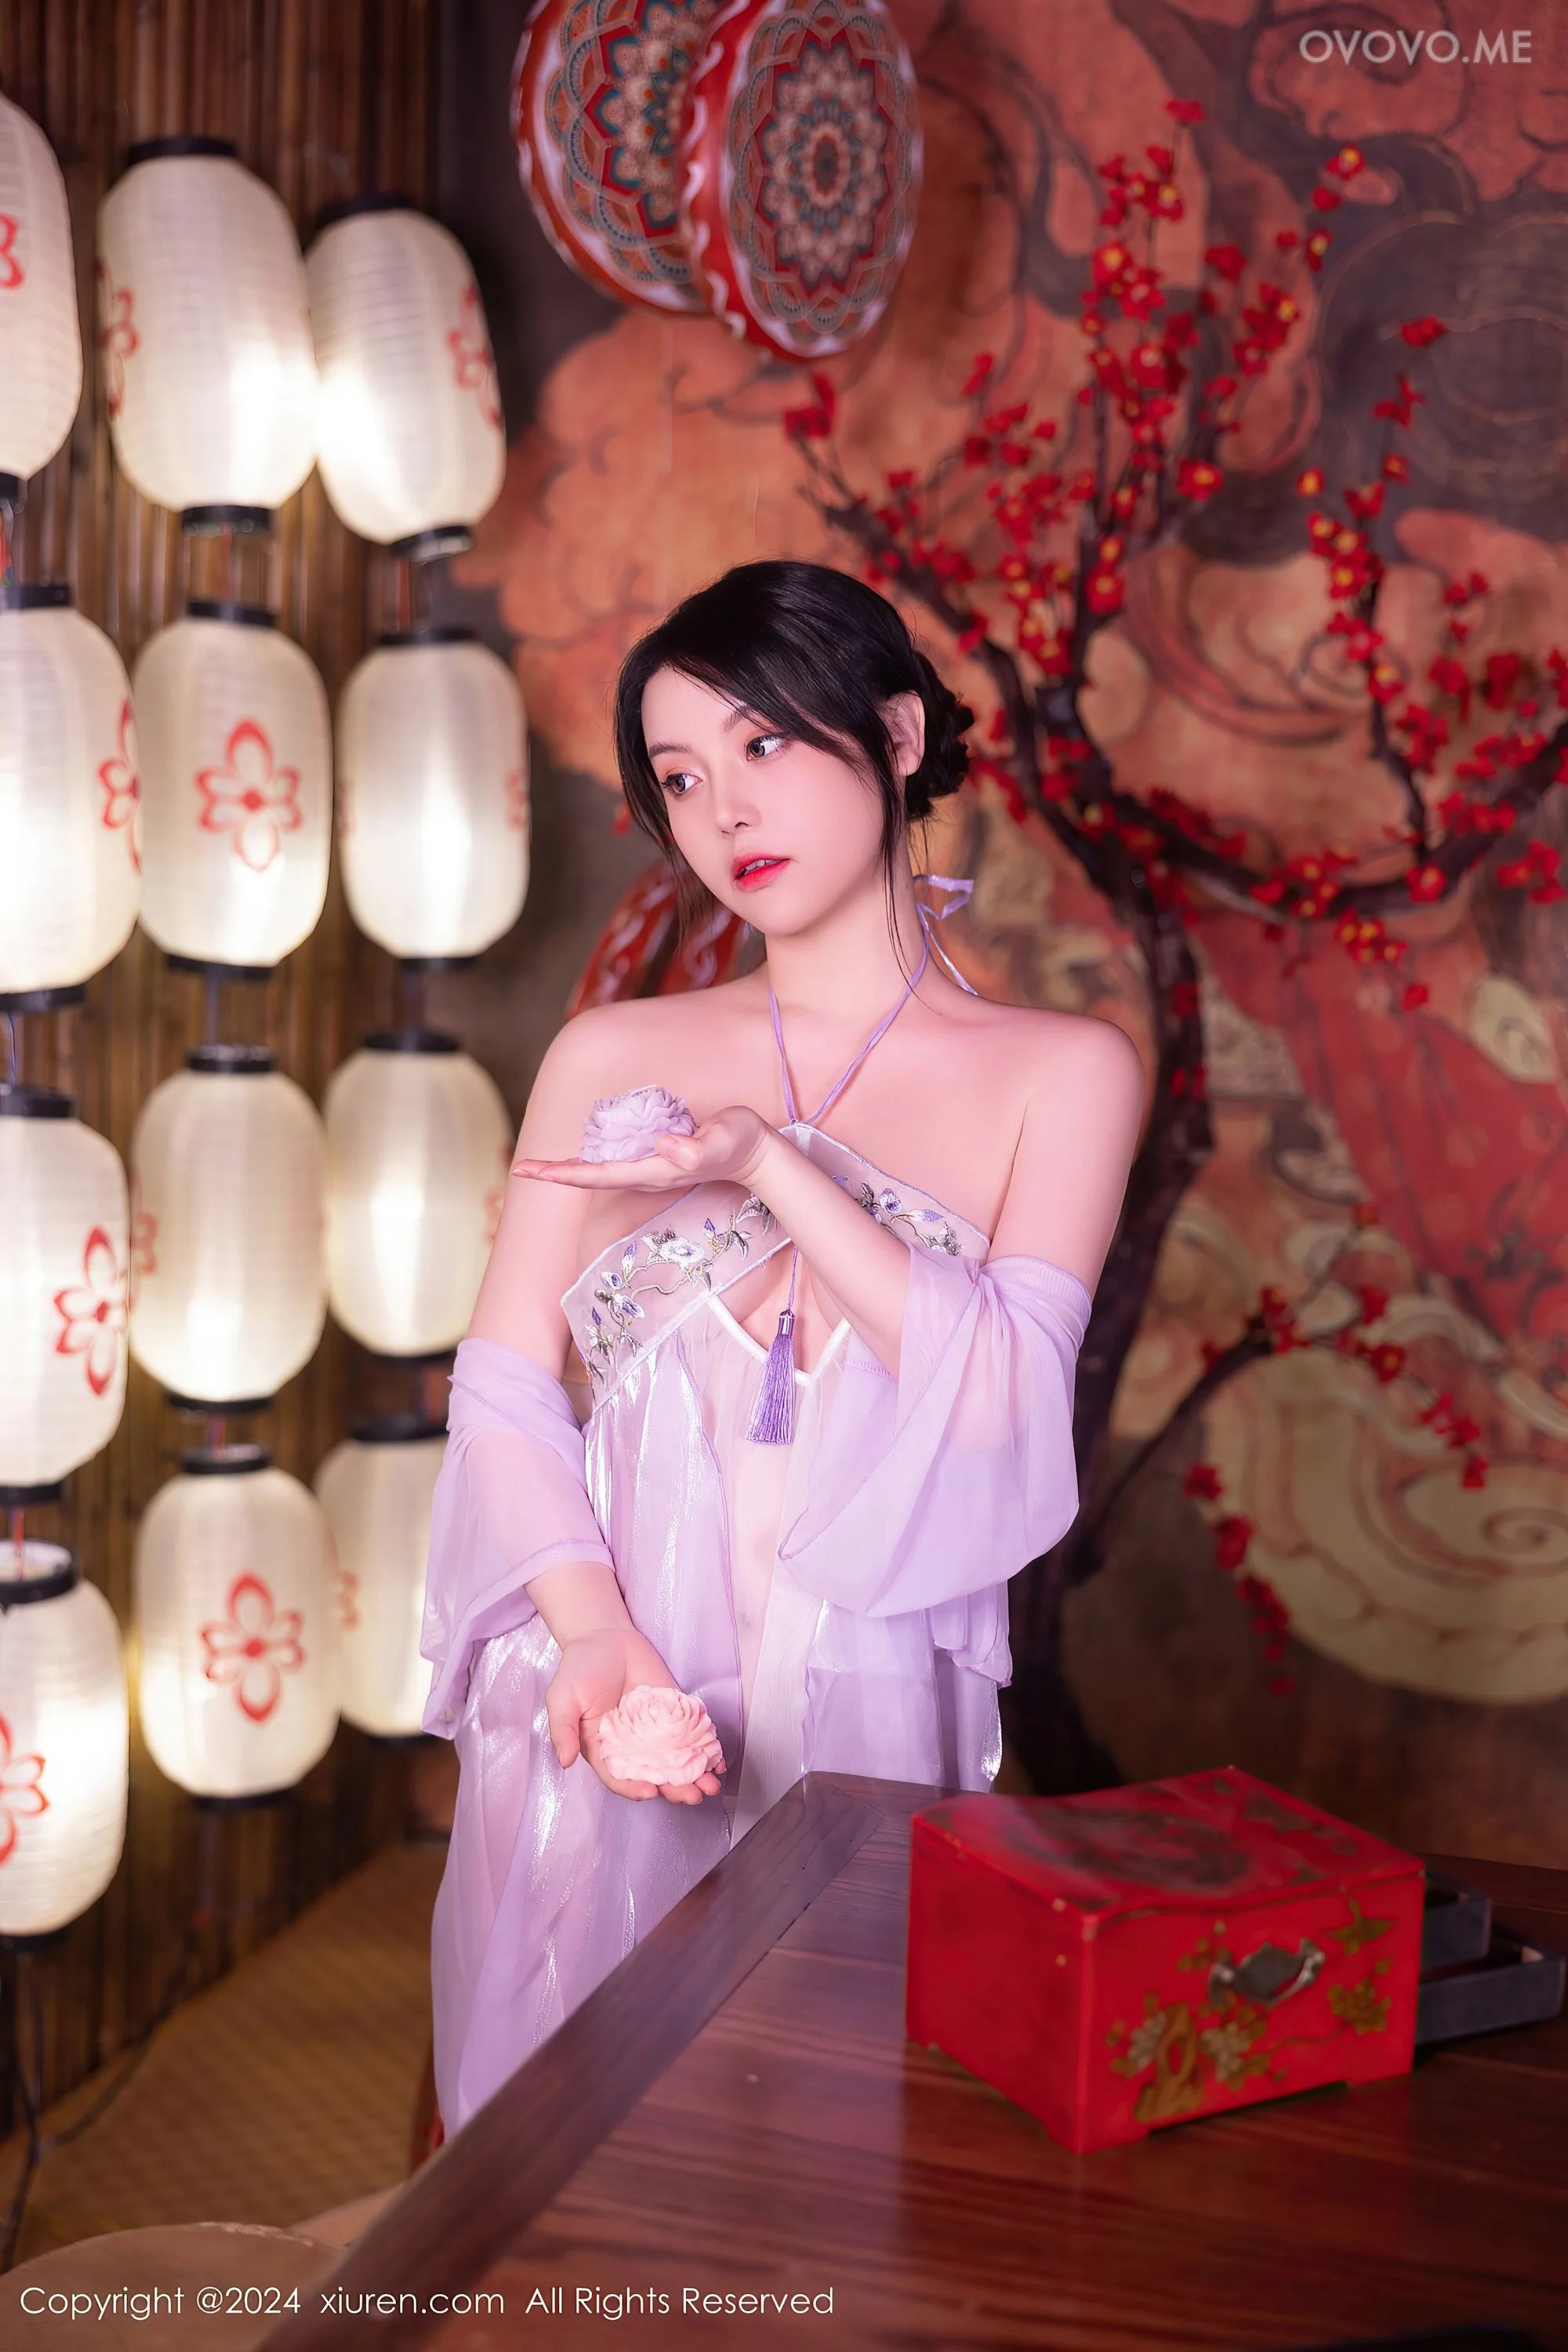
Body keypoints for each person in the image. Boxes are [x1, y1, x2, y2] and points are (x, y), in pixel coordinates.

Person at [419, 560, 1145, 2135]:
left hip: (864, 1712)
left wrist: (768, 1164)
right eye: (678, 776)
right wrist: (592, 1639)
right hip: (611, 1689)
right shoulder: (614, 1052)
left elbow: (1003, 1405)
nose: (722, 809)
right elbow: (504, 1383)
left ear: (896, 736)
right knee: (574, 2154)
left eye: (761, 744)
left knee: (832, 2155)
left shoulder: (1063, 1072)